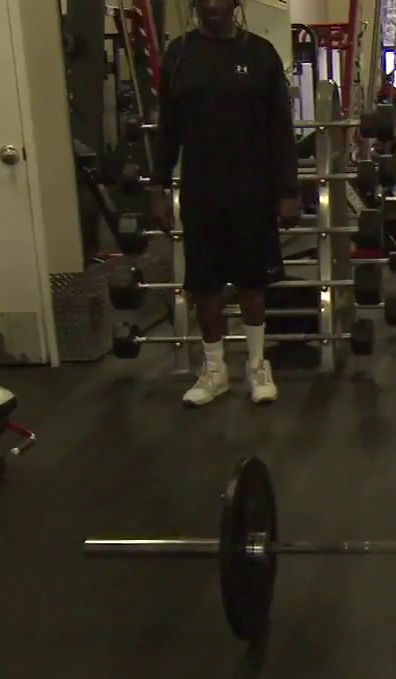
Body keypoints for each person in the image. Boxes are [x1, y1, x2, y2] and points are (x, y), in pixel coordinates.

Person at [149, 0, 300, 406]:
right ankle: (214, 369)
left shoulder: (259, 55)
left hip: (252, 188)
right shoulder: (180, 55)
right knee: (205, 283)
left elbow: (280, 129)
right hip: (201, 189)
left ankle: (255, 365)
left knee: (253, 281)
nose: (212, 6)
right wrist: (158, 186)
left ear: (235, 3)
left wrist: (288, 190)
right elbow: (167, 129)